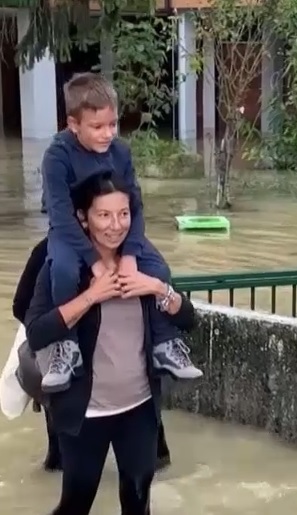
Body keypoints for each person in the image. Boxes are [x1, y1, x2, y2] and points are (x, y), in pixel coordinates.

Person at [25, 173, 196, 514]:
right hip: (85, 410)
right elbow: (37, 332)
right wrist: (90, 297)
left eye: (123, 214)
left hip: (139, 407)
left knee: (137, 500)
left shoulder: (143, 262)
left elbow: (187, 318)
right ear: (82, 218)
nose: (115, 225)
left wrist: (158, 289)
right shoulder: (58, 264)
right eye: (103, 215)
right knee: (76, 503)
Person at [39, 72, 201, 393]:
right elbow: (60, 215)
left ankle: (165, 344)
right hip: (73, 231)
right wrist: (95, 263)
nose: (107, 134)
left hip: (118, 227)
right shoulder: (57, 156)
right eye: (97, 127)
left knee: (157, 268)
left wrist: (129, 256)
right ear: (73, 125)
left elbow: (136, 207)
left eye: (112, 124)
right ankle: (66, 347)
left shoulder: (121, 152)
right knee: (65, 270)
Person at [12, 237, 172, 474]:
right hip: (98, 362)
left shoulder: (133, 252)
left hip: (96, 368)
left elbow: (21, 307)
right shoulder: (134, 248)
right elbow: (23, 309)